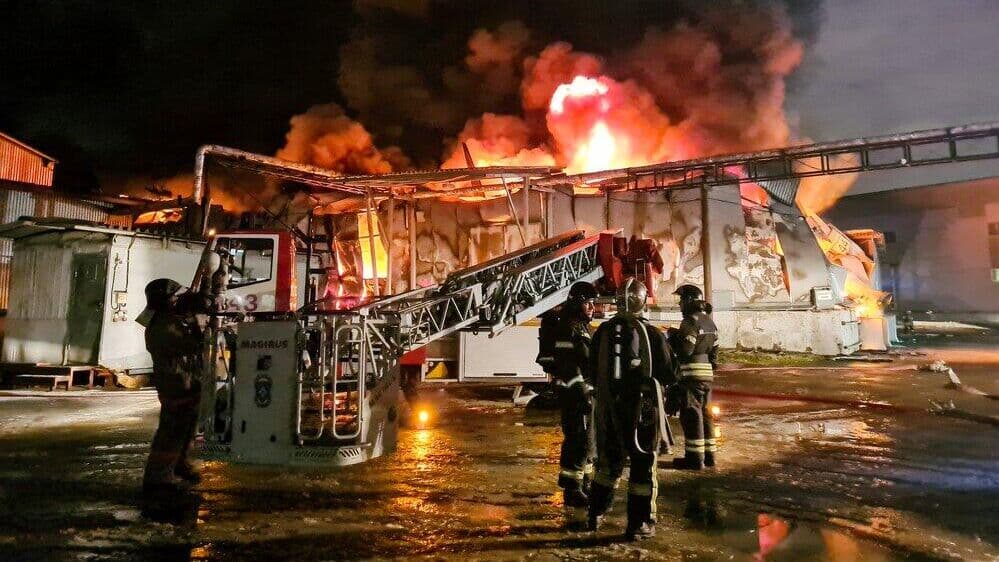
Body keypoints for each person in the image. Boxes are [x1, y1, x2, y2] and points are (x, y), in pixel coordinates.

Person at [588, 278, 675, 541]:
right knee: (643, 468)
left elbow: (592, 371)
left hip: (607, 411)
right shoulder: (652, 334)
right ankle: (639, 524)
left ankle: (594, 514)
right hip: (642, 412)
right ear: (642, 300)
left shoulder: (602, 332)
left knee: (606, 466)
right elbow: (669, 373)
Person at [138, 277, 215, 492]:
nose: (177, 301)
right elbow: (196, 346)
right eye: (175, 297)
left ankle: (180, 465)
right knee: (171, 433)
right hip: (176, 386)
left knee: (186, 429)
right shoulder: (164, 326)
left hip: (185, 384)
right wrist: (196, 323)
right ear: (166, 300)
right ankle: (158, 478)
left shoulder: (168, 321)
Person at [552, 281, 598, 507]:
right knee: (577, 441)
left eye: (593, 303)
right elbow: (568, 366)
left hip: (584, 394)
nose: (592, 308)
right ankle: (572, 490)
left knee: (587, 440)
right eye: (588, 303)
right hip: (574, 395)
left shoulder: (580, 326)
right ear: (577, 303)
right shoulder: (568, 327)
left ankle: (585, 482)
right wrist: (581, 393)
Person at [670, 294, 719, 470]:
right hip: (706, 375)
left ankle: (694, 458)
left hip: (691, 375)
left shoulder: (689, 321)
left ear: (689, 301)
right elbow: (715, 352)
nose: (680, 304)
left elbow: (685, 350)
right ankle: (709, 456)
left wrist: (674, 337)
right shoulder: (709, 321)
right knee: (706, 415)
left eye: (682, 300)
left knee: (692, 415)